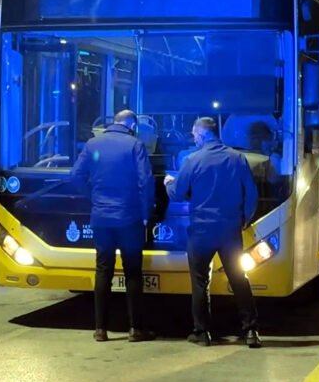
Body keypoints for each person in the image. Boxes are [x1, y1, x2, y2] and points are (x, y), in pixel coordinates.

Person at [164, 117, 261, 348]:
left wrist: (169, 182)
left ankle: (202, 333)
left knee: (199, 282)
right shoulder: (238, 159)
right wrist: (244, 221)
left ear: (202, 134)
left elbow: (177, 194)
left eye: (194, 134)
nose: (194, 138)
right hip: (229, 231)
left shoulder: (192, 160)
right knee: (239, 279)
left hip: (201, 232)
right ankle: (251, 332)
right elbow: (252, 195)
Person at [69, 109, 156, 343]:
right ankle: (135, 329)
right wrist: (146, 212)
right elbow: (145, 181)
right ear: (132, 125)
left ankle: (100, 329)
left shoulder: (93, 144)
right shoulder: (135, 145)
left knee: (103, 271)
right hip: (129, 218)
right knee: (133, 273)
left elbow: (75, 177)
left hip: (101, 218)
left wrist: (93, 198)